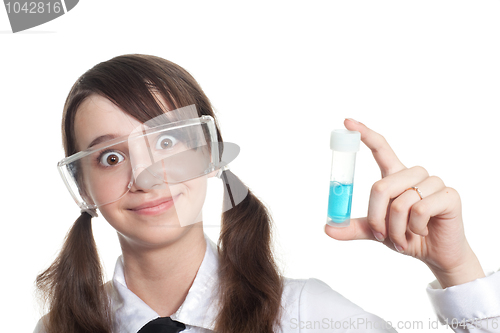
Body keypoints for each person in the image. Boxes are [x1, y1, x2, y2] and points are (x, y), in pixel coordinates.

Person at [34, 54, 500, 333]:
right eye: (110, 158)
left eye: (168, 141)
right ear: (81, 184)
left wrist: (456, 269)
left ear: (210, 151)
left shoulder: (304, 316)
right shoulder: (57, 329)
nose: (147, 175)